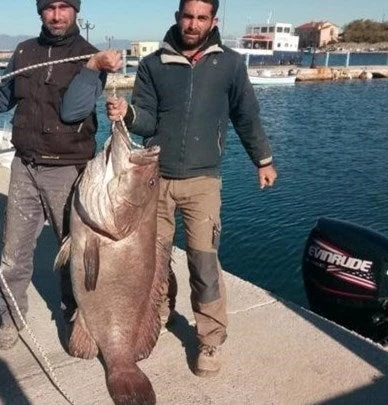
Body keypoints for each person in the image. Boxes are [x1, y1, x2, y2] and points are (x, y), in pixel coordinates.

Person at [105, 0, 277, 378]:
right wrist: (128, 114)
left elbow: (246, 116)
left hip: (203, 182)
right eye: (188, 16)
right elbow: (147, 118)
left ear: (213, 21)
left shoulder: (230, 64)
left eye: (201, 18)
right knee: (152, 260)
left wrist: (262, 160)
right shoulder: (153, 65)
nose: (193, 24)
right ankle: (159, 313)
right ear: (177, 17)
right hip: (155, 180)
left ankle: (210, 340)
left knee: (204, 263)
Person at [0, 0, 122, 351]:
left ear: (75, 11)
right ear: (40, 12)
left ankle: (77, 321)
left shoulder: (90, 56)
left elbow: (74, 112)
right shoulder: (25, 52)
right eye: (49, 7)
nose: (56, 15)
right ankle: (10, 317)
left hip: (68, 171)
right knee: (14, 252)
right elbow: (3, 97)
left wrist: (90, 68)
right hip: (25, 166)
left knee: (74, 254)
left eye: (64, 7)